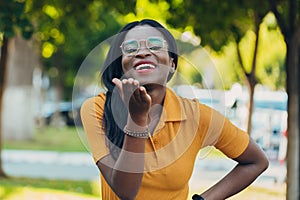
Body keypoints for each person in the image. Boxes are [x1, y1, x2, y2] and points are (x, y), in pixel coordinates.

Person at [80, 19, 269, 200]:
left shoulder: (196, 115)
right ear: (121, 64)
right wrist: (136, 120)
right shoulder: (97, 109)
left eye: (155, 46)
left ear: (171, 63)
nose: (143, 52)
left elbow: (256, 161)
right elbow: (126, 192)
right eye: (131, 48)